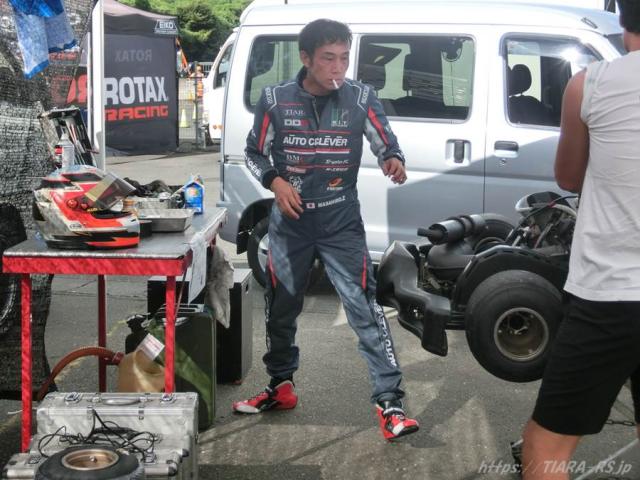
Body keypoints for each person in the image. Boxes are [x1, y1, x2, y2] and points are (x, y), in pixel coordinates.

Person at [232, 18, 419, 441]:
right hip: (290, 226)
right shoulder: (275, 99)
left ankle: (390, 403)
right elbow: (253, 153)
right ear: (306, 58)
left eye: (344, 59)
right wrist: (275, 182)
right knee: (281, 306)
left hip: (340, 222)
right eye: (328, 59)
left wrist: (393, 159)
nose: (338, 68)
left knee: (364, 308)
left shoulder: (361, 97)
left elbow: (386, 142)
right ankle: (280, 386)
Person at [522, 1, 640, 477]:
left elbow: (569, 177)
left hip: (609, 293)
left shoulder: (590, 83)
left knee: (546, 442)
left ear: (623, 19)